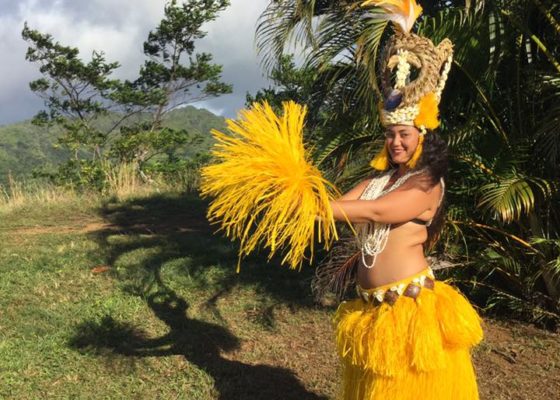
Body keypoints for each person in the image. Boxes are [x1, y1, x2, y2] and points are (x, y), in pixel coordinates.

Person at [325, 2, 483, 398]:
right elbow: (337, 205)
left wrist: (322, 207)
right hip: (373, 308)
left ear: (422, 136)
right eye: (391, 134)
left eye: (405, 134)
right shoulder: (379, 180)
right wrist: (295, 197)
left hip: (412, 310)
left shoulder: (428, 182)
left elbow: (381, 212)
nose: (396, 142)